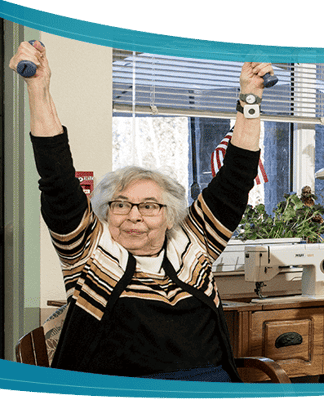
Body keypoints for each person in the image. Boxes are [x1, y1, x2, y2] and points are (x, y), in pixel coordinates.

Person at [11, 41, 273, 381]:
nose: (133, 216)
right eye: (120, 205)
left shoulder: (193, 242)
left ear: (170, 215)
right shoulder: (90, 252)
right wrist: (38, 86)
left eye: (149, 206)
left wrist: (251, 95)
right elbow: (56, 177)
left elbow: (237, 176)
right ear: (105, 212)